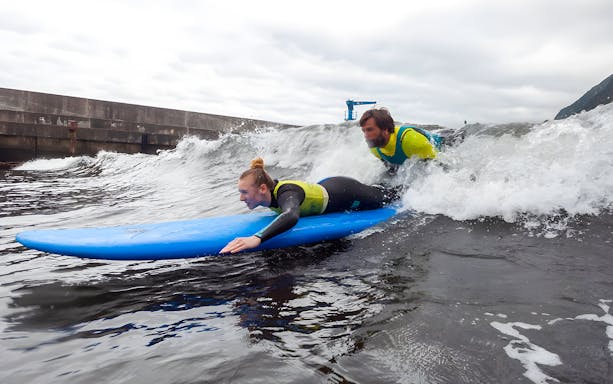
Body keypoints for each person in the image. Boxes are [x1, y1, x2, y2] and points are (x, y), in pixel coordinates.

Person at [219, 157, 400, 254]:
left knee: (391, 196)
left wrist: (257, 238)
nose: (242, 199)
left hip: (347, 192)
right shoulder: (270, 193)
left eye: (244, 192)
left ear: (262, 188)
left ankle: (407, 182)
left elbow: (291, 215)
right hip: (329, 186)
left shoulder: (286, 193)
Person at [359, 108, 443, 167]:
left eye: (370, 130)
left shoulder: (412, 142)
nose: (365, 135)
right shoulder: (375, 148)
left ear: (385, 129)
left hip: (444, 140)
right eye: (364, 131)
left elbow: (437, 169)